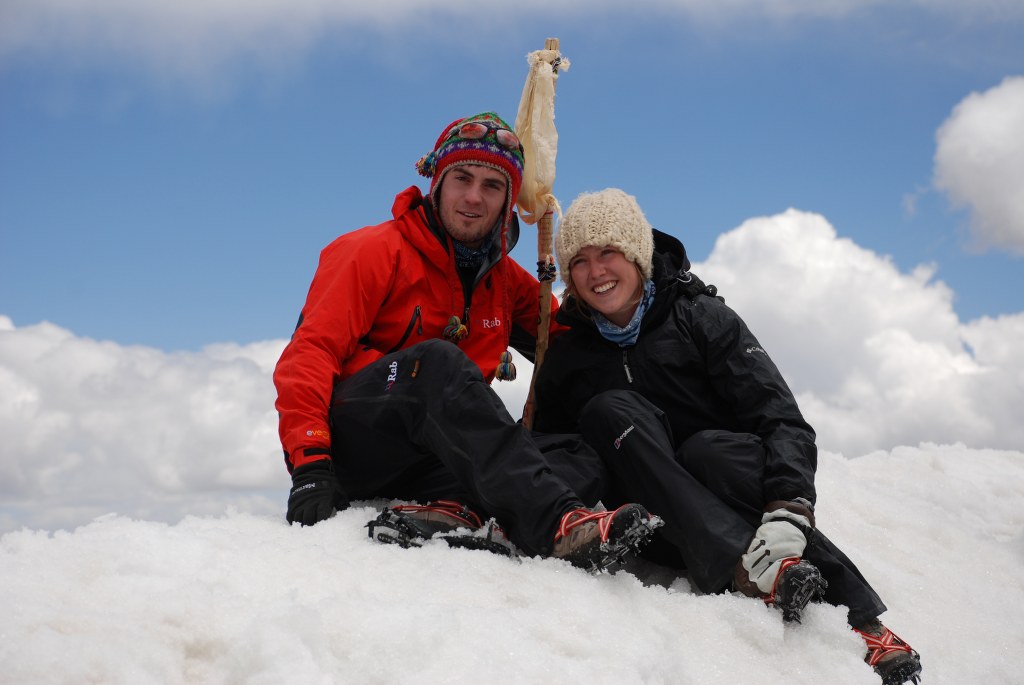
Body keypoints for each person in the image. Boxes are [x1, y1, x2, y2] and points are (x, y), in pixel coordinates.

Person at [532, 188, 923, 684]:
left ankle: (863, 624)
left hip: (736, 495)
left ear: (636, 254)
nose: (596, 272)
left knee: (710, 451)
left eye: (608, 252)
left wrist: (790, 507)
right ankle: (748, 570)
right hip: (656, 522)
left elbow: (781, 418)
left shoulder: (700, 317)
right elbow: (555, 450)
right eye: (580, 261)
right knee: (611, 411)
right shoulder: (569, 357)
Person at [272, 114, 657, 572]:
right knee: (437, 362)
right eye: (462, 178)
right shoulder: (371, 251)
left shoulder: (507, 282)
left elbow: (569, 340)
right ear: (437, 182)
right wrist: (312, 462)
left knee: (573, 450)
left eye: (493, 186)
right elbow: (309, 353)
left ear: (508, 202)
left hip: (432, 457)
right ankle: (557, 525)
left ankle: (464, 512)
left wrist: (651, 314)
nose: (474, 197)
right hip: (354, 444)